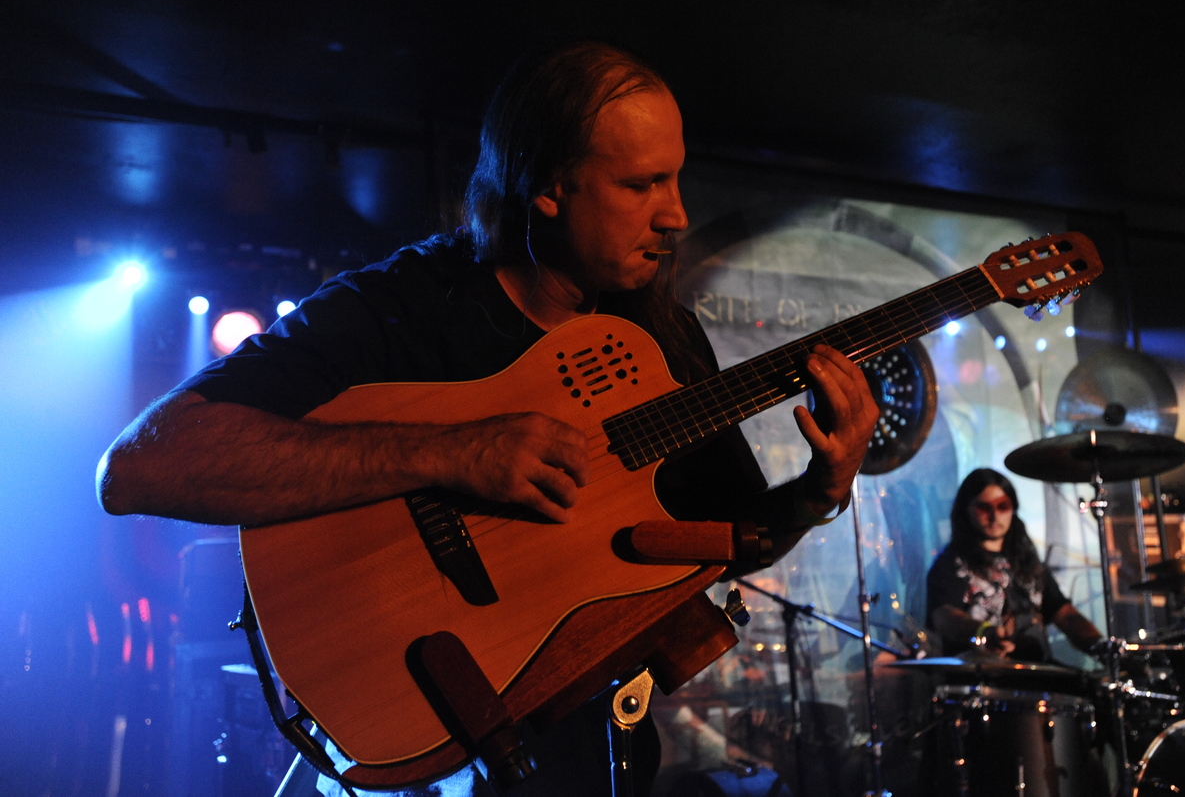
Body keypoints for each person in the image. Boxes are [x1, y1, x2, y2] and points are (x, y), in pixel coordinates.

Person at [96, 40, 878, 796]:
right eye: (641, 184)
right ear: (548, 186)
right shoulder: (400, 307)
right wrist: (449, 453)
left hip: (593, 754)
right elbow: (139, 469)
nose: (675, 214)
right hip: (424, 749)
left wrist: (821, 490)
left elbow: (727, 541)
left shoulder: (663, 337)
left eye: (675, 179)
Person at [926, 468, 1101, 661]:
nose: (994, 516)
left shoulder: (1027, 560)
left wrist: (1101, 646)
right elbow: (943, 616)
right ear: (965, 509)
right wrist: (984, 632)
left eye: (1003, 506)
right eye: (984, 508)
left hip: (1039, 671)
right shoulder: (950, 562)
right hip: (984, 674)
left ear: (1013, 509)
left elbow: (1064, 613)